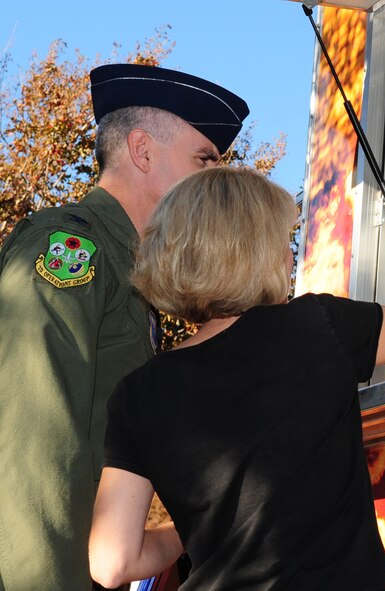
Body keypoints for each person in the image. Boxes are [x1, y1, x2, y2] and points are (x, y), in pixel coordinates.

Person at [87, 167, 385, 589]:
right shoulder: (317, 327)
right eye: (283, 242)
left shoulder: (138, 393)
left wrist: (184, 536)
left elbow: (111, 562)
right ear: (252, 250)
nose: (289, 257)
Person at [0, 64, 248, 589]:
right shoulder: (72, 251)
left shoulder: (127, 270)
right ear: (142, 151)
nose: (213, 182)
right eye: (204, 160)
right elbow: (32, 450)